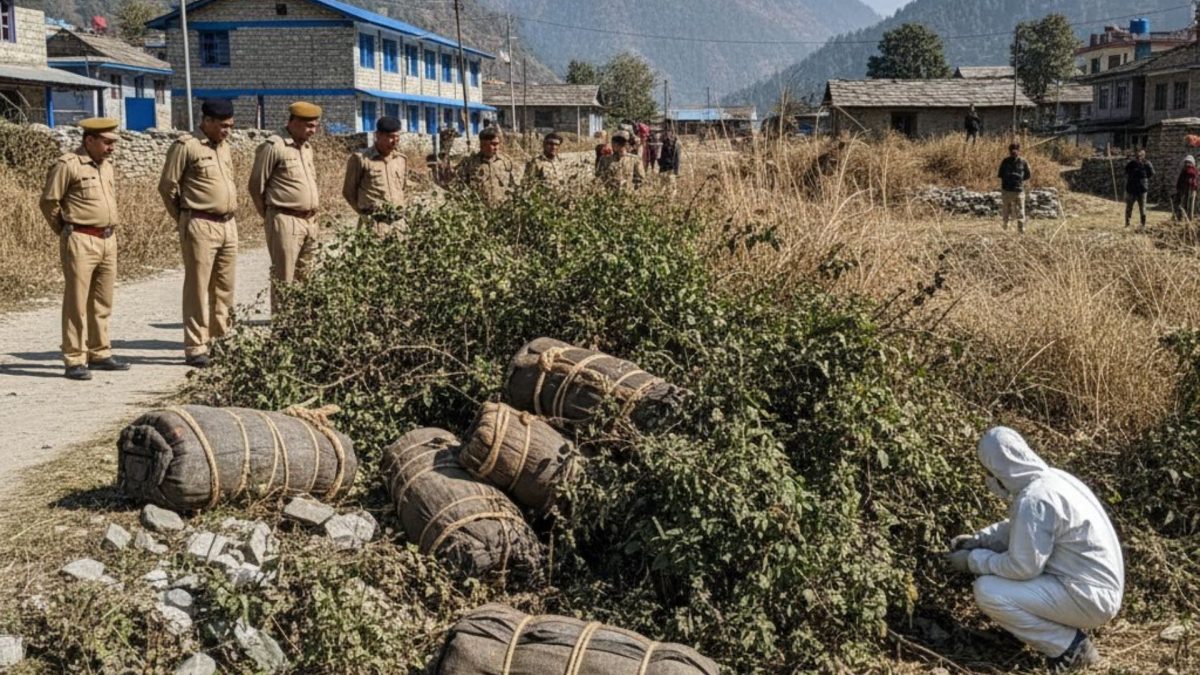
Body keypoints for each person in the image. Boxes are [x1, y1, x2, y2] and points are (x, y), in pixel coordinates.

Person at [945, 427, 1123, 672]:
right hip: (1094, 590)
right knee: (1000, 583)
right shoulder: (1053, 480)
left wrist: (973, 560)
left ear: (998, 470)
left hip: (1090, 598)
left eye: (989, 473)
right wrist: (981, 539)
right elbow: (1025, 530)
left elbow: (1022, 567)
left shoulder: (1034, 499)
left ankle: (1070, 648)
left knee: (988, 591)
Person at [40, 117, 131, 381]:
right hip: (80, 238)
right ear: (89, 140)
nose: (111, 147)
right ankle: (75, 358)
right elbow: (49, 202)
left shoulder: (106, 167)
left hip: (107, 239)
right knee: (76, 301)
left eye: (113, 142)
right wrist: (66, 230)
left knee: (102, 300)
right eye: (106, 142)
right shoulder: (68, 165)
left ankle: (100, 352)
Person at [158, 99, 238, 369]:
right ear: (208, 122)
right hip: (199, 222)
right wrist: (183, 217)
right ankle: (196, 346)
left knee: (224, 287)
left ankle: (221, 340)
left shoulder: (224, 147)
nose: (228, 131)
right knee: (198, 286)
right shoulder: (187, 146)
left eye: (230, 126)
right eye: (223, 126)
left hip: (228, 224)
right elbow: (167, 186)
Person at [249, 101, 322, 312]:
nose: (313, 131)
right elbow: (256, 186)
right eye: (309, 126)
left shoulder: (306, 148)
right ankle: (283, 328)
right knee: (285, 277)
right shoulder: (274, 146)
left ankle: (302, 324)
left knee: (306, 276)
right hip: (285, 219)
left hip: (309, 221)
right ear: (294, 122)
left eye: (315, 126)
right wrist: (271, 215)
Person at [343, 115, 408, 234]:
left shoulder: (401, 159)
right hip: (374, 225)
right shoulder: (361, 159)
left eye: (397, 137)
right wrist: (364, 214)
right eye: (390, 137)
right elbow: (349, 192)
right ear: (377, 135)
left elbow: (402, 189)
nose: (394, 141)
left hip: (398, 224)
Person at [455, 126, 518, 205]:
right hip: (479, 212)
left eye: (497, 144)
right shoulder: (469, 163)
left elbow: (515, 186)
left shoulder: (506, 162)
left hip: (503, 210)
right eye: (493, 144)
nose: (496, 148)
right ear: (483, 144)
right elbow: (458, 186)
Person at [998, 143, 1032, 233]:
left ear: (1019, 151)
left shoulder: (1023, 162)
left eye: (1016, 150)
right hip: (1007, 190)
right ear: (1009, 151)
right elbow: (1000, 174)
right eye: (1012, 150)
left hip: (1019, 190)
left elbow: (1028, 175)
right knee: (1006, 211)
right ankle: (1005, 229)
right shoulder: (1005, 162)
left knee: (1021, 211)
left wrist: (1019, 180)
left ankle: (1021, 230)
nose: (1014, 152)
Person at [1124, 149, 1155, 231]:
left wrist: (1144, 178)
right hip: (1131, 188)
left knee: (1142, 208)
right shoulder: (1131, 163)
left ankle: (1143, 224)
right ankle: (1127, 223)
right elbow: (1126, 171)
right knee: (1129, 207)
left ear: (1144, 156)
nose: (1139, 157)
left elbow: (1151, 173)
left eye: (1141, 155)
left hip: (1142, 189)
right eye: (1137, 155)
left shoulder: (1147, 164)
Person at [1174, 155, 1198, 221]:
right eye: (1186, 162)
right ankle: (1182, 217)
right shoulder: (1184, 170)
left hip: (1191, 189)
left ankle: (1189, 218)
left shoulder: (1192, 170)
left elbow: (1194, 177)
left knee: (1190, 205)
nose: (1187, 164)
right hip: (1185, 190)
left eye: (1189, 162)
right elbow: (1180, 180)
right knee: (1184, 204)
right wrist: (1178, 188)